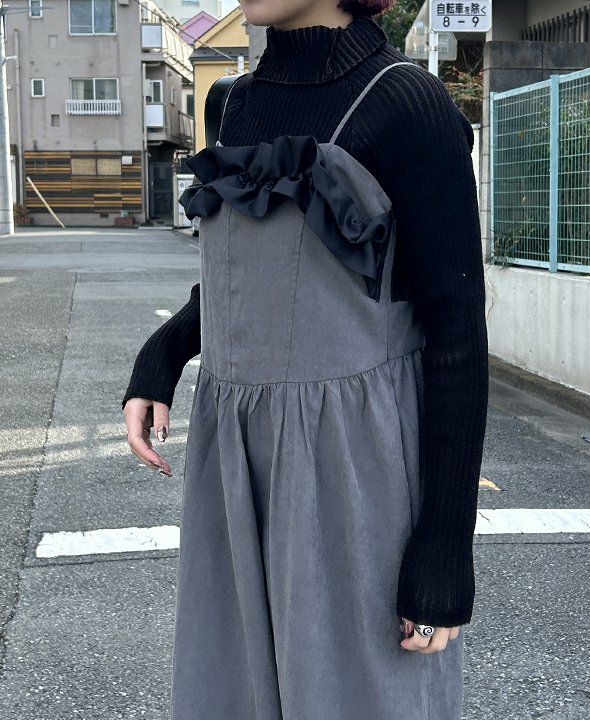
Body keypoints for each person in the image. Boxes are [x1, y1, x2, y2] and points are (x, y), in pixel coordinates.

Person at [122, 1, 489, 718]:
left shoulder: (407, 103)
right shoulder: (236, 104)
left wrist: (445, 547)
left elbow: (456, 333)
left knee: (356, 696)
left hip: (352, 469)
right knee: (232, 688)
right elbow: (243, 271)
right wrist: (164, 352)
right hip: (234, 459)